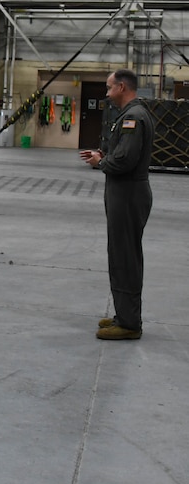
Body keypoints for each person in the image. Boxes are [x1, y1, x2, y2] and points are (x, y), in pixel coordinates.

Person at [79, 69, 154, 340]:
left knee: (125, 257)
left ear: (122, 87)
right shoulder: (131, 114)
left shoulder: (133, 117)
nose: (107, 93)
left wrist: (102, 162)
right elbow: (122, 153)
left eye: (109, 88)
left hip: (128, 193)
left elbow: (124, 161)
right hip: (125, 191)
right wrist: (104, 155)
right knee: (121, 254)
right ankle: (124, 314)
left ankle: (130, 323)